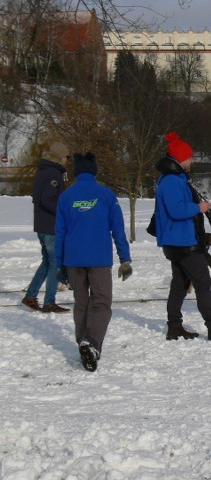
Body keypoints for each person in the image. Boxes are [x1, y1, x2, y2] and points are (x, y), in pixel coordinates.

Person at [154, 132, 211, 341]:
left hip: (177, 240)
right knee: (202, 280)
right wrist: (198, 207)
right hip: (182, 240)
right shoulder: (172, 181)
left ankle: (174, 326)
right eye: (190, 157)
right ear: (180, 158)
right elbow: (176, 210)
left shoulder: (172, 179)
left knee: (180, 283)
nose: (192, 161)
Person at [55, 152, 132, 372]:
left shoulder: (66, 197)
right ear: (94, 170)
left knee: (81, 303)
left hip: (73, 259)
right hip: (99, 259)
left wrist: (60, 265)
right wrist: (124, 259)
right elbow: (118, 229)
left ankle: (83, 343)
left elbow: (60, 233)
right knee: (101, 302)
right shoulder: (106, 195)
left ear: (76, 172)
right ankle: (93, 343)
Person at [23, 140, 71, 313]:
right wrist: (63, 213)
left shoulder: (43, 171)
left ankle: (30, 296)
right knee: (55, 263)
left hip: (42, 225)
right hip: (51, 226)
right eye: (66, 156)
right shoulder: (53, 174)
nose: (67, 160)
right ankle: (49, 302)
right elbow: (48, 200)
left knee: (46, 262)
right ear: (59, 157)